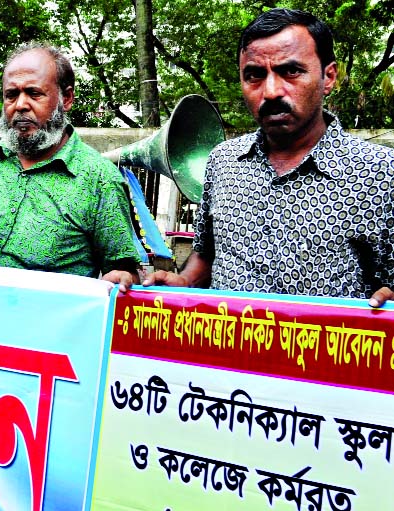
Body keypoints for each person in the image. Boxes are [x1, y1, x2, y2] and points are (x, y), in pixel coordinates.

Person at [143, 8, 394, 308]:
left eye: (291, 71)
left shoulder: (380, 172)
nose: (272, 91)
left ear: (328, 77)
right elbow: (205, 255)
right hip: (223, 351)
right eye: (254, 75)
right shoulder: (223, 162)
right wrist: (183, 281)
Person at [0, 43, 141, 289]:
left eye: (34, 93)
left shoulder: (99, 180)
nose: (20, 105)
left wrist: (125, 279)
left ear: (67, 99)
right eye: (11, 95)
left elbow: (124, 272)